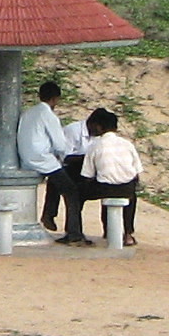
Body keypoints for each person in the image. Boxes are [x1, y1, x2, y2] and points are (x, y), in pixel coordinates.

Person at [65, 106, 143, 247]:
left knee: (75, 194)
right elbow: (137, 172)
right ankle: (128, 234)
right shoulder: (128, 144)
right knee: (130, 195)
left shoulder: (95, 146)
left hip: (104, 188)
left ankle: (74, 233)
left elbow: (87, 175)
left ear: (100, 128)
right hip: (128, 188)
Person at [17, 79, 81, 232]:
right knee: (72, 191)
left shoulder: (28, 113)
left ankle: (49, 214)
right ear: (55, 99)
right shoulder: (49, 115)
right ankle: (74, 233)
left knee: (56, 181)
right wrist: (64, 156)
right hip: (42, 159)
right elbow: (60, 145)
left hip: (25, 158)